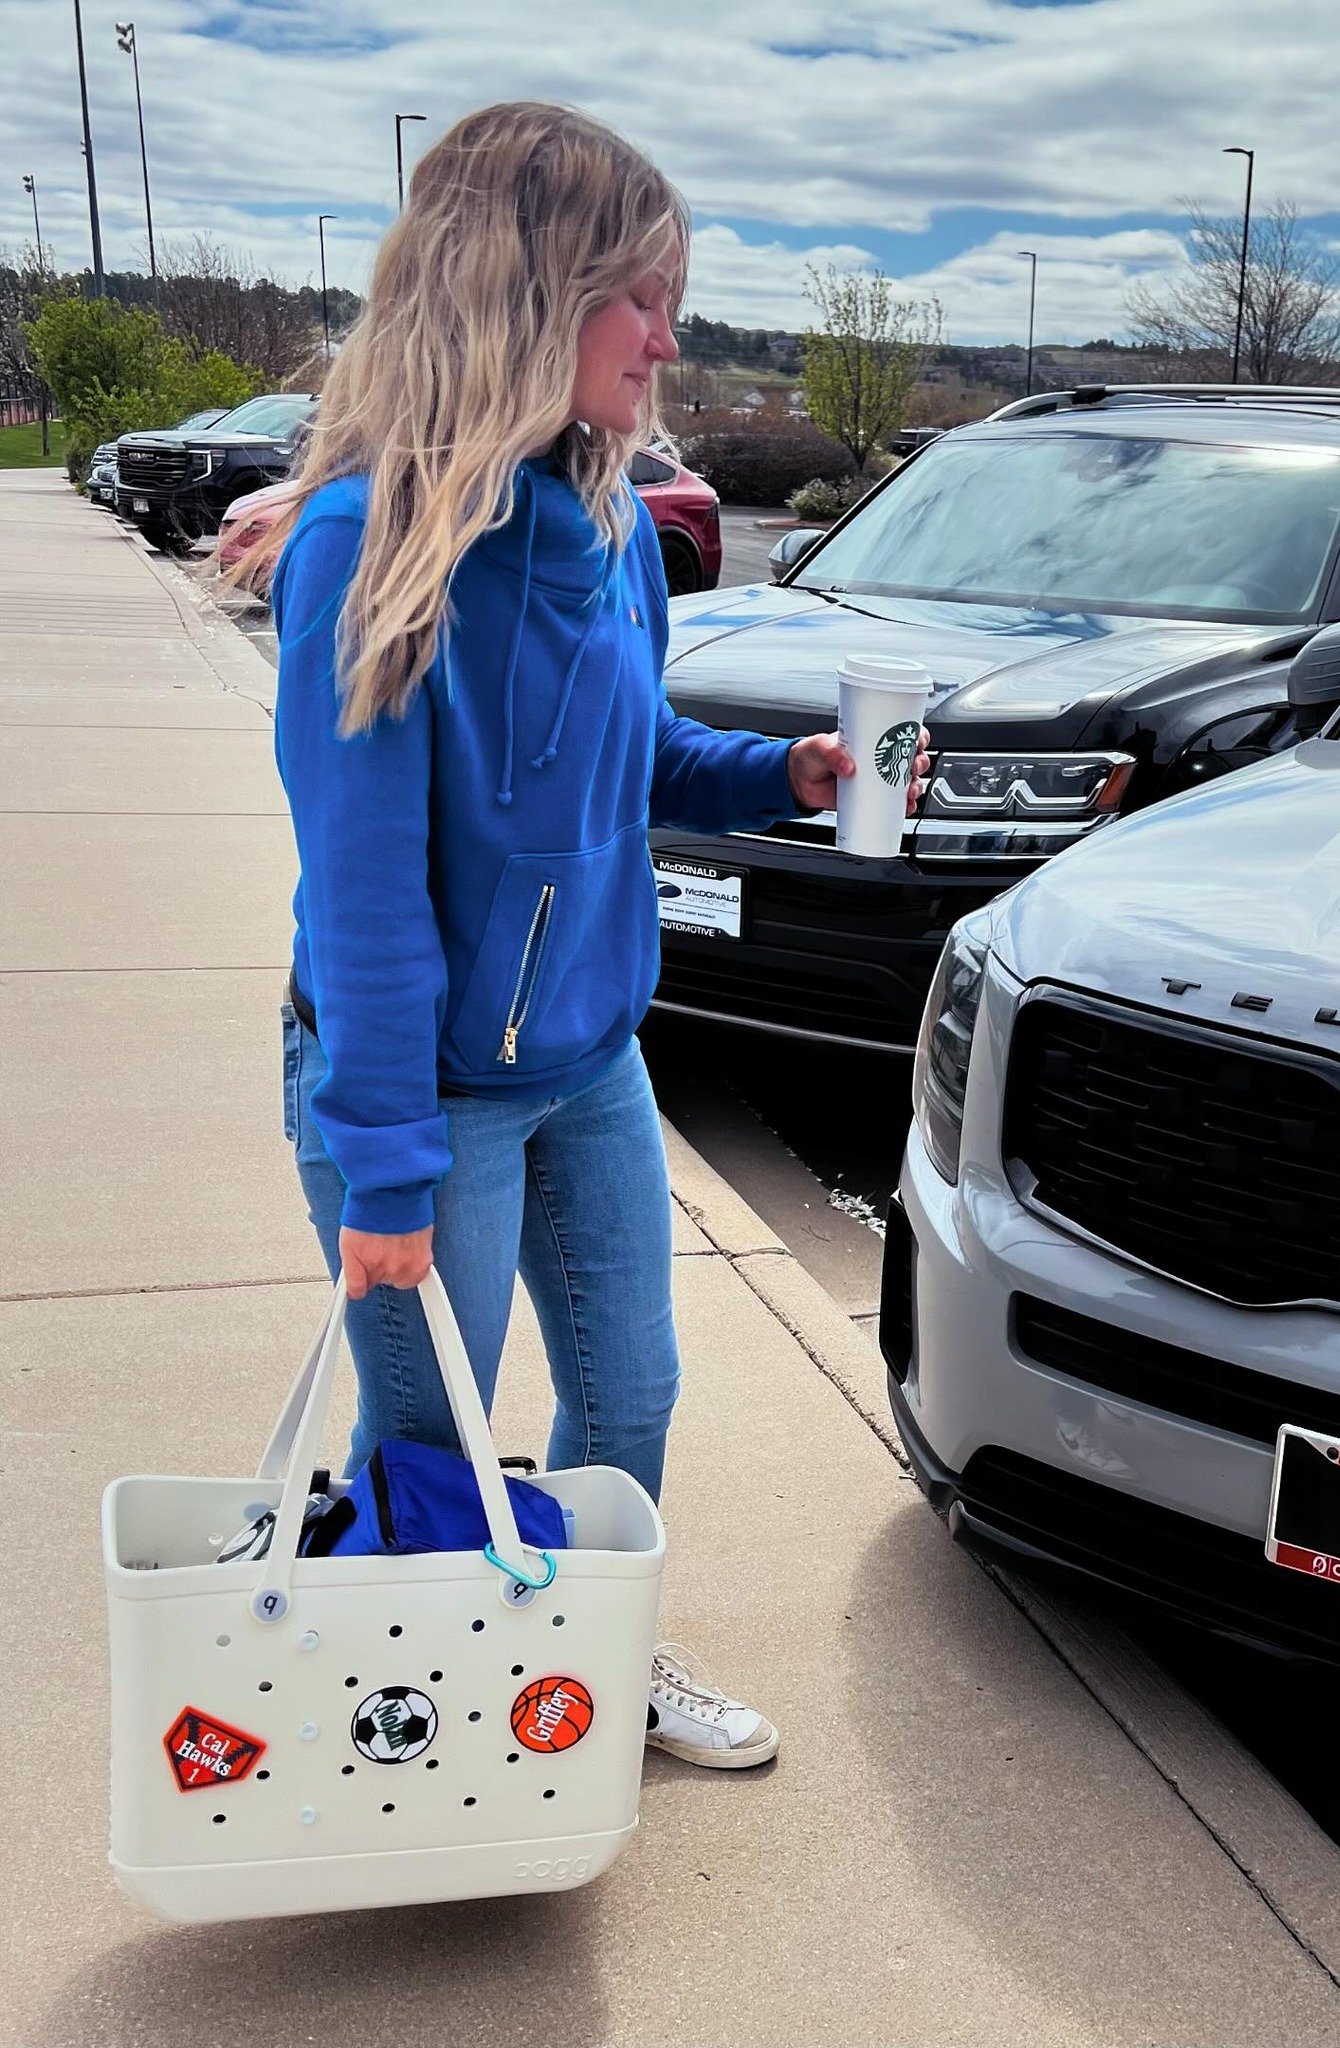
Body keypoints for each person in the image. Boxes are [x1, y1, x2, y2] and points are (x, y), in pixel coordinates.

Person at [236, 101, 926, 1771]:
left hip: (591, 1061)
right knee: (433, 1449)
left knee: (628, 1404)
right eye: (642, 297)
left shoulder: (617, 527)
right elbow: (368, 893)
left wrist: (783, 773)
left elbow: (631, 768)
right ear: (525, 295)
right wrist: (388, 1169)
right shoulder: (368, 543)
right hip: (427, 1093)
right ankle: (436, 1733)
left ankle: (583, 1668)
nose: (669, 340)